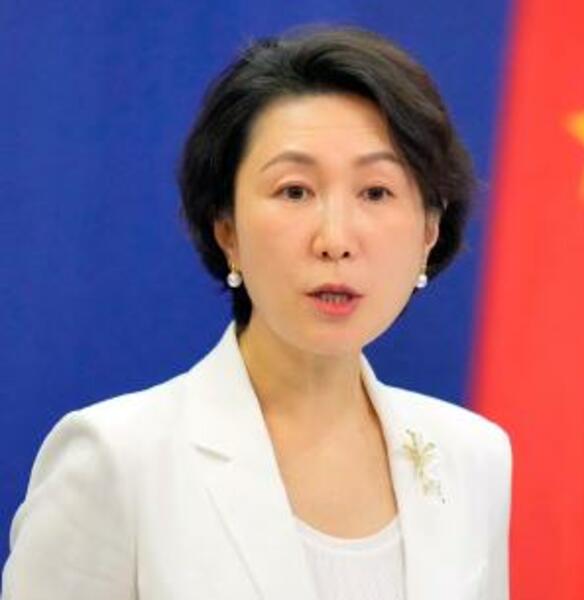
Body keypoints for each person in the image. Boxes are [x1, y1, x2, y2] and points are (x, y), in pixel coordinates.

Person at [2, 26, 511, 600]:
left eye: (375, 192)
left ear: (429, 230)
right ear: (228, 231)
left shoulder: (473, 459)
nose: (335, 240)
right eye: (295, 191)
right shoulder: (117, 460)